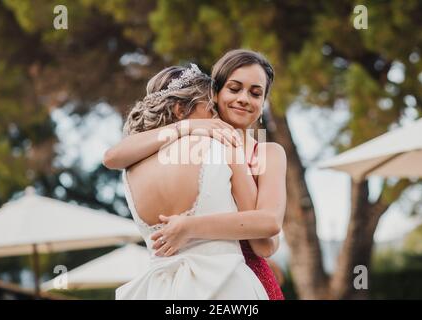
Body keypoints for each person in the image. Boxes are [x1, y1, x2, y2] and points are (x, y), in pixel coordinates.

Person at [104, 50, 286, 300]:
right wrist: (188, 126)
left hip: (246, 272)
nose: (244, 99)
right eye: (234, 89)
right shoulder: (194, 145)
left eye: (256, 93)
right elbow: (112, 157)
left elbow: (267, 243)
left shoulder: (266, 152)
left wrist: (189, 227)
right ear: (216, 92)